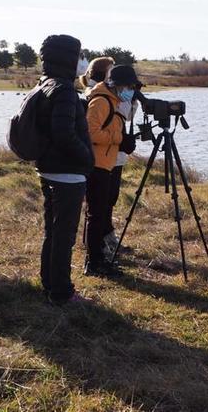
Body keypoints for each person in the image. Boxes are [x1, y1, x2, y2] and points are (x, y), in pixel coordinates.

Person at [35, 34, 95, 305]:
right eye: (79, 55)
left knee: (53, 231)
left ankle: (49, 283)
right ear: (68, 58)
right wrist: (86, 158)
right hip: (67, 172)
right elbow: (64, 134)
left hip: (48, 168)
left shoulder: (45, 83)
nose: (82, 61)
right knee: (64, 235)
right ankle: (61, 292)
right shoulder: (65, 90)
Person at [83, 65, 139, 276]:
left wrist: (121, 142)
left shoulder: (113, 100)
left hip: (105, 163)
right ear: (117, 85)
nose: (131, 90)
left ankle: (97, 259)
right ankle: (94, 262)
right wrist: (119, 140)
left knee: (98, 213)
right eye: (129, 86)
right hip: (96, 164)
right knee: (96, 215)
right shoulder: (101, 101)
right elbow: (91, 133)